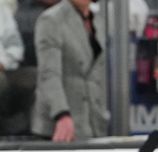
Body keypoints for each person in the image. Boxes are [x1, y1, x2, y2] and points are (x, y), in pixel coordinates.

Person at [31, 0, 108, 141]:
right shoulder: (51, 19)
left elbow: (97, 74)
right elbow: (49, 74)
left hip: (93, 124)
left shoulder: (98, 20)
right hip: (59, 126)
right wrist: (62, 114)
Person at [0, 2, 35, 135]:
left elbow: (15, 46)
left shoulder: (1, 10)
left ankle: (31, 133)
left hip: (5, 68)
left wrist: (3, 63)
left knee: (35, 77)